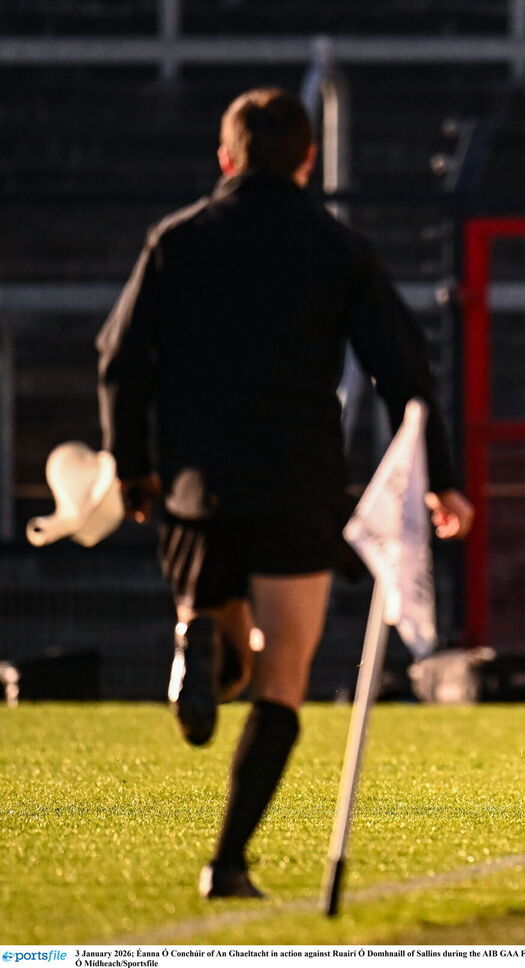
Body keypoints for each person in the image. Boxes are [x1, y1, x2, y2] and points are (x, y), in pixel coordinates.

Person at [96, 88, 474, 898]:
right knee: (280, 681)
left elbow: (118, 359)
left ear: (226, 158)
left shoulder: (176, 241)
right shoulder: (335, 246)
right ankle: (227, 863)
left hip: (198, 488)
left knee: (223, 651)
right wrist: (440, 478)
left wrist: (131, 466)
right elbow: (405, 372)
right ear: (308, 160)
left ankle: (196, 639)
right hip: (298, 483)